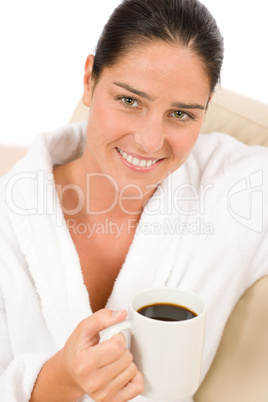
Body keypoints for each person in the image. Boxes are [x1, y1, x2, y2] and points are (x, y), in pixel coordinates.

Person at [0, 0, 268, 401]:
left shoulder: (231, 189)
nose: (149, 141)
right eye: (129, 101)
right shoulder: (11, 221)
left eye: (181, 114)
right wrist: (62, 378)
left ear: (207, 109)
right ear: (90, 80)